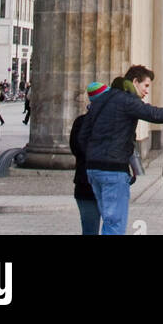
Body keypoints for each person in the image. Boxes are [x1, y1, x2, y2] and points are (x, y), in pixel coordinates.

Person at [78, 64, 163, 235]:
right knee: (114, 223)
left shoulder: (102, 99)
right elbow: (156, 114)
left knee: (108, 221)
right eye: (145, 86)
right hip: (113, 170)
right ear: (135, 81)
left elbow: (83, 136)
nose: (146, 91)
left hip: (94, 169)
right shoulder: (127, 101)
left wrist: (93, 155)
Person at [69, 84, 102, 235]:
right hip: (97, 183)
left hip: (84, 182)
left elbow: (75, 149)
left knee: (89, 228)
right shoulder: (111, 123)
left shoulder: (80, 122)